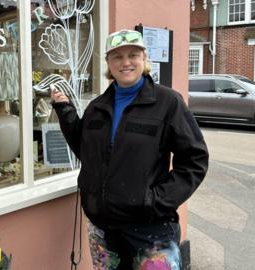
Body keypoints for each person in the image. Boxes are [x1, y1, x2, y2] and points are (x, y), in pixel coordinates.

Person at [51, 29, 209, 270]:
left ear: (144, 58)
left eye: (133, 54)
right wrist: (65, 112)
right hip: (103, 229)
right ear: (108, 63)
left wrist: (155, 201)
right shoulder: (97, 107)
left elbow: (194, 160)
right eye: (117, 56)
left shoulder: (168, 102)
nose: (125, 62)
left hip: (150, 230)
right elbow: (87, 153)